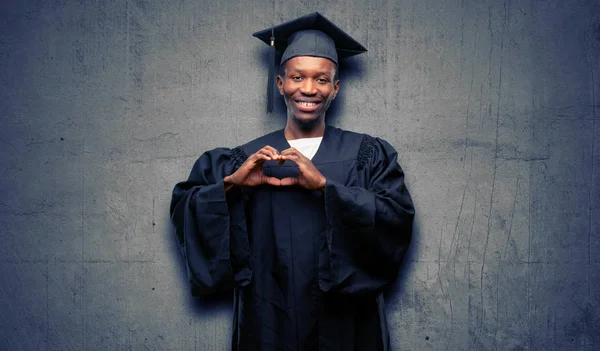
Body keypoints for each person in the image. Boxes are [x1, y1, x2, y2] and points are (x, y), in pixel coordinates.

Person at [170, 12, 414, 351]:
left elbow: (395, 219)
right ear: (280, 82)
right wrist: (231, 186)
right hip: (268, 317)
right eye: (298, 77)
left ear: (336, 87)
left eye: (322, 79)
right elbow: (187, 207)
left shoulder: (367, 154)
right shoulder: (243, 159)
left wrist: (327, 188)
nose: (309, 89)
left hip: (346, 321)